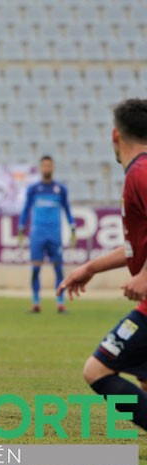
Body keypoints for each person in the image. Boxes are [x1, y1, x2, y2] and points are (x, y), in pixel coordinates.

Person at [58, 98, 147, 433]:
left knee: (97, 371)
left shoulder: (141, 172)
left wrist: (144, 274)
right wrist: (91, 268)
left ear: (114, 135)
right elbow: (133, 247)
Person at [18, 155, 76, 313]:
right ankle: (36, 302)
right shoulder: (34, 189)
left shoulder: (60, 189)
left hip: (54, 234)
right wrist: (21, 227)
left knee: (58, 269)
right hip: (38, 234)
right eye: (44, 166)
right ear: (40, 168)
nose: (47, 168)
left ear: (53, 167)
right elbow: (25, 209)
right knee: (36, 269)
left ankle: (60, 303)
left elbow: (67, 209)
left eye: (49, 166)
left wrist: (72, 226)